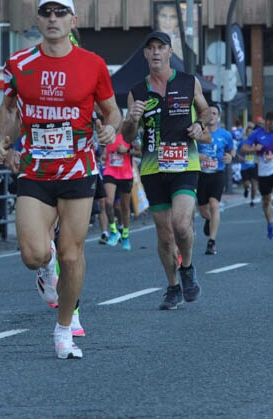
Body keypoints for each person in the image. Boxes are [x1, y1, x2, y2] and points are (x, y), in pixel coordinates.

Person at [0, 0, 121, 360]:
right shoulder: (18, 63)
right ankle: (46, 269)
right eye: (46, 12)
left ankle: (64, 331)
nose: (52, 18)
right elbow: (10, 110)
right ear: (38, 21)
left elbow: (111, 111)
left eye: (60, 13)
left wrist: (111, 130)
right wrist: (1, 142)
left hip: (78, 169)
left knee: (72, 251)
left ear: (72, 21)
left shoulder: (92, 64)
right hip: (34, 168)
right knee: (33, 253)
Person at [121, 30, 211, 311]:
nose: (156, 52)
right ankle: (173, 286)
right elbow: (127, 136)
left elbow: (206, 111)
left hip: (186, 162)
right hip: (152, 167)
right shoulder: (137, 91)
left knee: (182, 225)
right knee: (164, 234)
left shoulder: (187, 82)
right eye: (151, 49)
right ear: (146, 54)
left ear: (170, 52)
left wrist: (201, 126)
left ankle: (188, 267)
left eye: (161, 47)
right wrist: (132, 119)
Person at [239, 111, 273, 240]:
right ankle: (270, 224)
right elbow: (243, 148)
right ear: (267, 122)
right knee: (266, 201)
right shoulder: (256, 134)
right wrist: (254, 149)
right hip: (263, 173)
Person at [196, 105, 233, 255]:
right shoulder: (198, 134)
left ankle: (212, 242)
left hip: (217, 173)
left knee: (214, 204)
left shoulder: (225, 135)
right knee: (204, 210)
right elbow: (189, 150)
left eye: (214, 113)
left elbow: (231, 150)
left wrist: (230, 157)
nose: (211, 116)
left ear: (218, 117)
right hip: (201, 174)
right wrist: (197, 156)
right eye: (209, 113)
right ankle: (209, 220)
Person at [100, 132, 134, 251]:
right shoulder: (108, 134)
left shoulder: (129, 135)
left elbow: (140, 152)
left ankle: (125, 234)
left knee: (125, 207)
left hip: (126, 174)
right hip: (111, 172)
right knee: (108, 202)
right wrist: (103, 153)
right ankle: (114, 231)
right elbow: (102, 151)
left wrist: (127, 150)